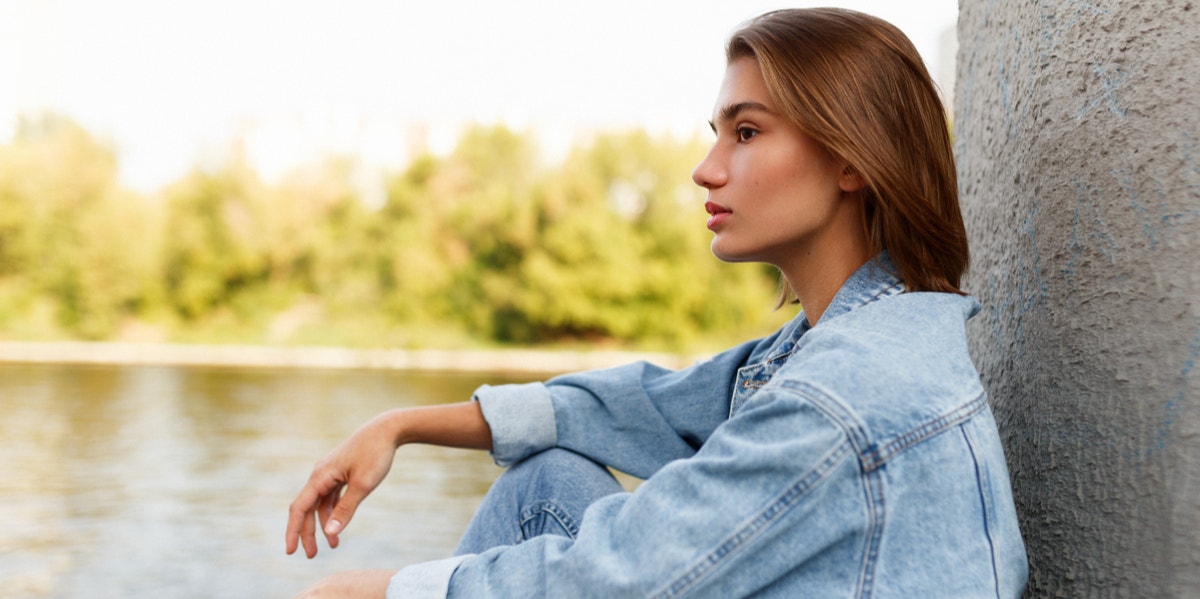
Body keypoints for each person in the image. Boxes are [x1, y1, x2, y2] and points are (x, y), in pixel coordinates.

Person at [285, 7, 1029, 598]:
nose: (706, 170)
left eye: (745, 132)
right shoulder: (846, 338)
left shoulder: (844, 392)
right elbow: (645, 403)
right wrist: (401, 424)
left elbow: (623, 576)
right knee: (549, 474)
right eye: (717, 135)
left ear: (850, 157)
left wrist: (380, 591)